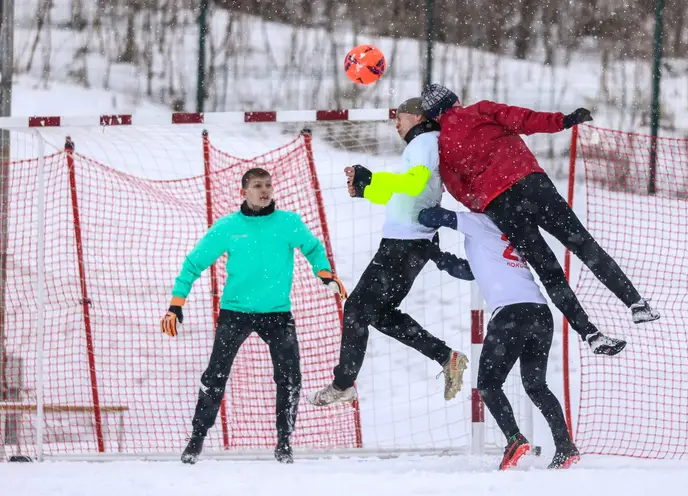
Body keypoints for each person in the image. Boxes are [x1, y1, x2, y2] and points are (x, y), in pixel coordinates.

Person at [419, 83, 660, 355]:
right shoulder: (481, 110)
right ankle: (636, 303)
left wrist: (487, 201)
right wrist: (563, 121)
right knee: (584, 245)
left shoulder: (443, 147)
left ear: (433, 117)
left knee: (549, 272)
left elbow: (459, 190)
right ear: (455, 101)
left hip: (500, 205)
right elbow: (524, 119)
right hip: (531, 184)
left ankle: (590, 334)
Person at [160, 167, 347, 465]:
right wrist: (176, 303)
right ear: (243, 191)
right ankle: (196, 440)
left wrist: (324, 273)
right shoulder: (227, 227)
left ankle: (284, 442)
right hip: (236, 313)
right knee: (215, 375)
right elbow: (194, 263)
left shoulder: (288, 223)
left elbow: (312, 248)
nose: (265, 190)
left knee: (290, 377)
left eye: (268, 185)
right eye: (258, 185)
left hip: (277, 315)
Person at [307, 98, 472, 407]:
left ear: (419, 116)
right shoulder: (426, 143)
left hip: (405, 244)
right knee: (379, 313)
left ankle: (343, 384)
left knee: (356, 309)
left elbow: (412, 184)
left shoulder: (423, 141)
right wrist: (367, 189)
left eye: (400, 117)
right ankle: (446, 357)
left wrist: (373, 178)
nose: (396, 123)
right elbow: (404, 196)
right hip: (409, 242)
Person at [418, 204, 581, 470]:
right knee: (536, 386)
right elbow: (468, 271)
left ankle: (515, 439)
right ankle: (565, 447)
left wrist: (416, 211)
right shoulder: (503, 232)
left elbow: (433, 216)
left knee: (488, 384)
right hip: (540, 314)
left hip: (511, 315)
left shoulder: (480, 222)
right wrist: (437, 256)